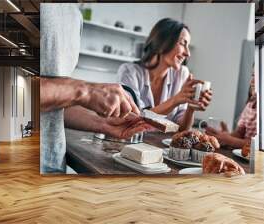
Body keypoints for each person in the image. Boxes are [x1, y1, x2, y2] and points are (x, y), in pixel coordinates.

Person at [40, 4, 150, 173]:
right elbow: (3, 88)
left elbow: (53, 107)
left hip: (53, 165)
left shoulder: (74, 15)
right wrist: (85, 91)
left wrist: (104, 124)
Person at [119, 18, 212, 131]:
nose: (188, 53)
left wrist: (190, 108)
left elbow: (183, 129)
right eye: (183, 43)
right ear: (162, 42)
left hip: (160, 145)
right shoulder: (129, 72)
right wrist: (175, 100)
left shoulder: (182, 74)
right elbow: (132, 120)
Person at [205, 72, 257, 148]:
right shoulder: (250, 104)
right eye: (253, 75)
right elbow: (239, 133)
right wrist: (225, 135)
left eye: (258, 75)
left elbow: (257, 146)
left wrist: (228, 140)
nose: (253, 80)